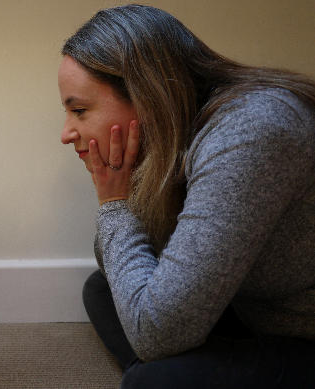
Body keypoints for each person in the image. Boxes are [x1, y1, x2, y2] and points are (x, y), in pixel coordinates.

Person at [58, 4, 315, 388]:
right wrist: (126, 192)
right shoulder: (179, 133)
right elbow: (115, 261)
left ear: (146, 96)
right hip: (252, 306)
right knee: (102, 289)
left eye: (79, 110)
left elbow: (156, 331)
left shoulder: (250, 133)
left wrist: (114, 204)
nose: (66, 133)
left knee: (154, 375)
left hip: (301, 330)